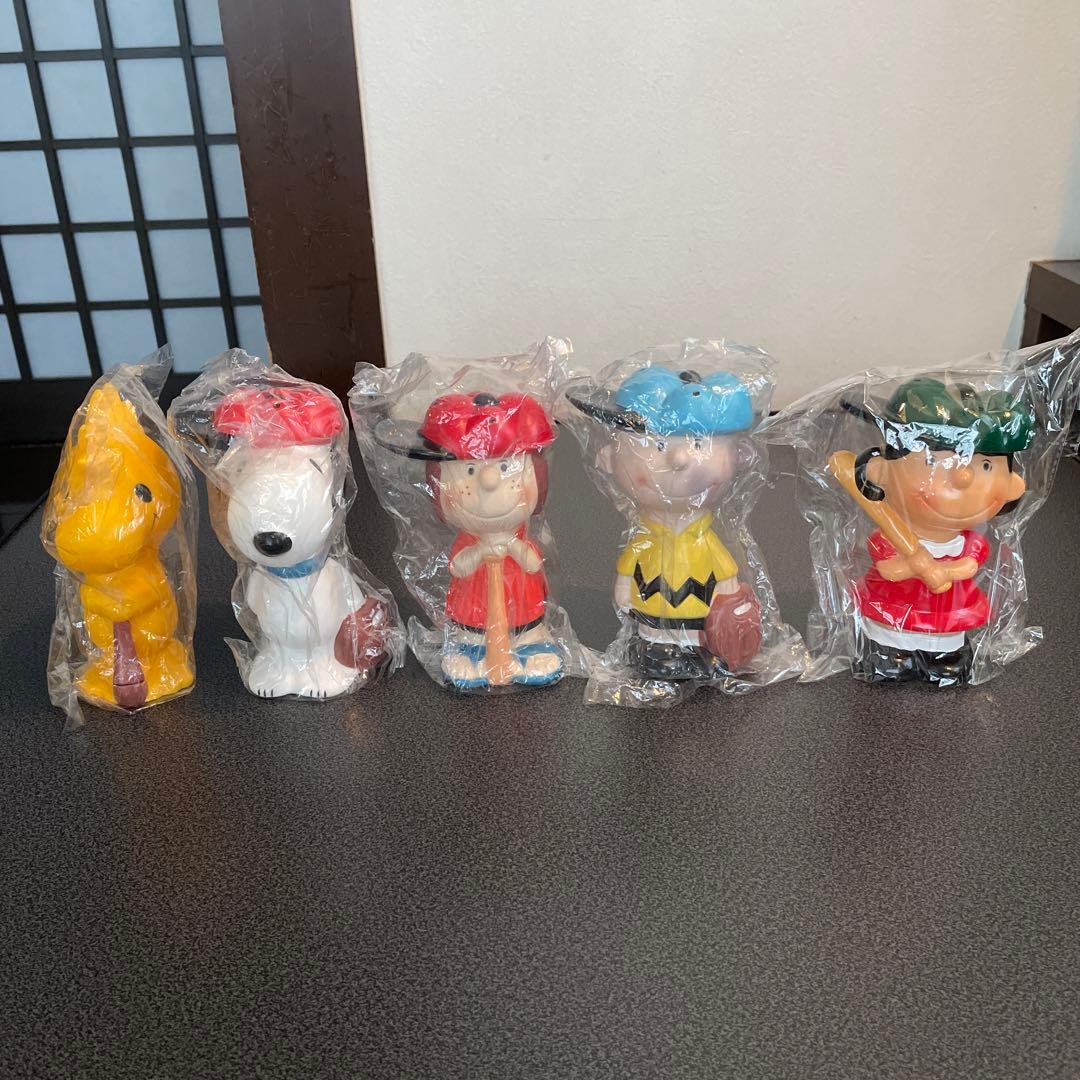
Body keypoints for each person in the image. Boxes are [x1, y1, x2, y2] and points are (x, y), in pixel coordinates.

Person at [571, 366, 762, 682]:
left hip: (698, 618)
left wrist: (728, 598)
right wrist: (624, 590)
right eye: (658, 444)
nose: (679, 459)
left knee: (696, 636)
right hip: (653, 613)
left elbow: (725, 571)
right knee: (655, 638)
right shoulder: (645, 538)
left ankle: (698, 651)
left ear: (738, 456)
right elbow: (629, 567)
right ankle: (656, 648)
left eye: (698, 443)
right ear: (608, 458)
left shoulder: (704, 539)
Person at [846, 377, 1033, 685]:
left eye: (986, 466)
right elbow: (889, 570)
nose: (962, 477)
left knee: (945, 650)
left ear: (1013, 486)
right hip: (894, 610)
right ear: (879, 472)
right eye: (934, 461)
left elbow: (968, 566)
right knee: (890, 644)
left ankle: (945, 657)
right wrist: (915, 565)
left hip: (948, 610)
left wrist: (943, 571)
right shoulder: (889, 537)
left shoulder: (968, 543)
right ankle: (890, 654)